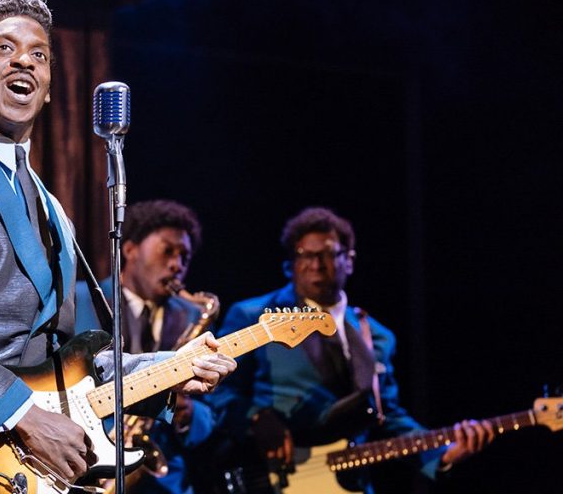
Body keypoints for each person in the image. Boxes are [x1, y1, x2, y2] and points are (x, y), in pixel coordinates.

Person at [0, 0, 236, 494]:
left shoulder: (54, 210)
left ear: (50, 88)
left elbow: (67, 360)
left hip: (24, 473)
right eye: (4, 48)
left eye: (39, 54)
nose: (24, 61)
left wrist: (169, 370)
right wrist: (22, 414)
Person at [207, 207, 494, 493]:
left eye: (329, 254)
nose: (316, 264)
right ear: (290, 264)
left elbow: (387, 415)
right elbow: (219, 391)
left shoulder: (377, 336)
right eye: (305, 254)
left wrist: (441, 455)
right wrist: (256, 418)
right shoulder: (254, 316)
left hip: (348, 483)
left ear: (350, 261)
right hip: (271, 477)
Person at [75, 199, 220, 494]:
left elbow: (213, 413)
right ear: (130, 249)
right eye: (167, 250)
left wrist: (187, 412)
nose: (177, 265)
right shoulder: (82, 299)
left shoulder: (193, 317)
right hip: (86, 464)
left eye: (184, 256)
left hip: (166, 480)